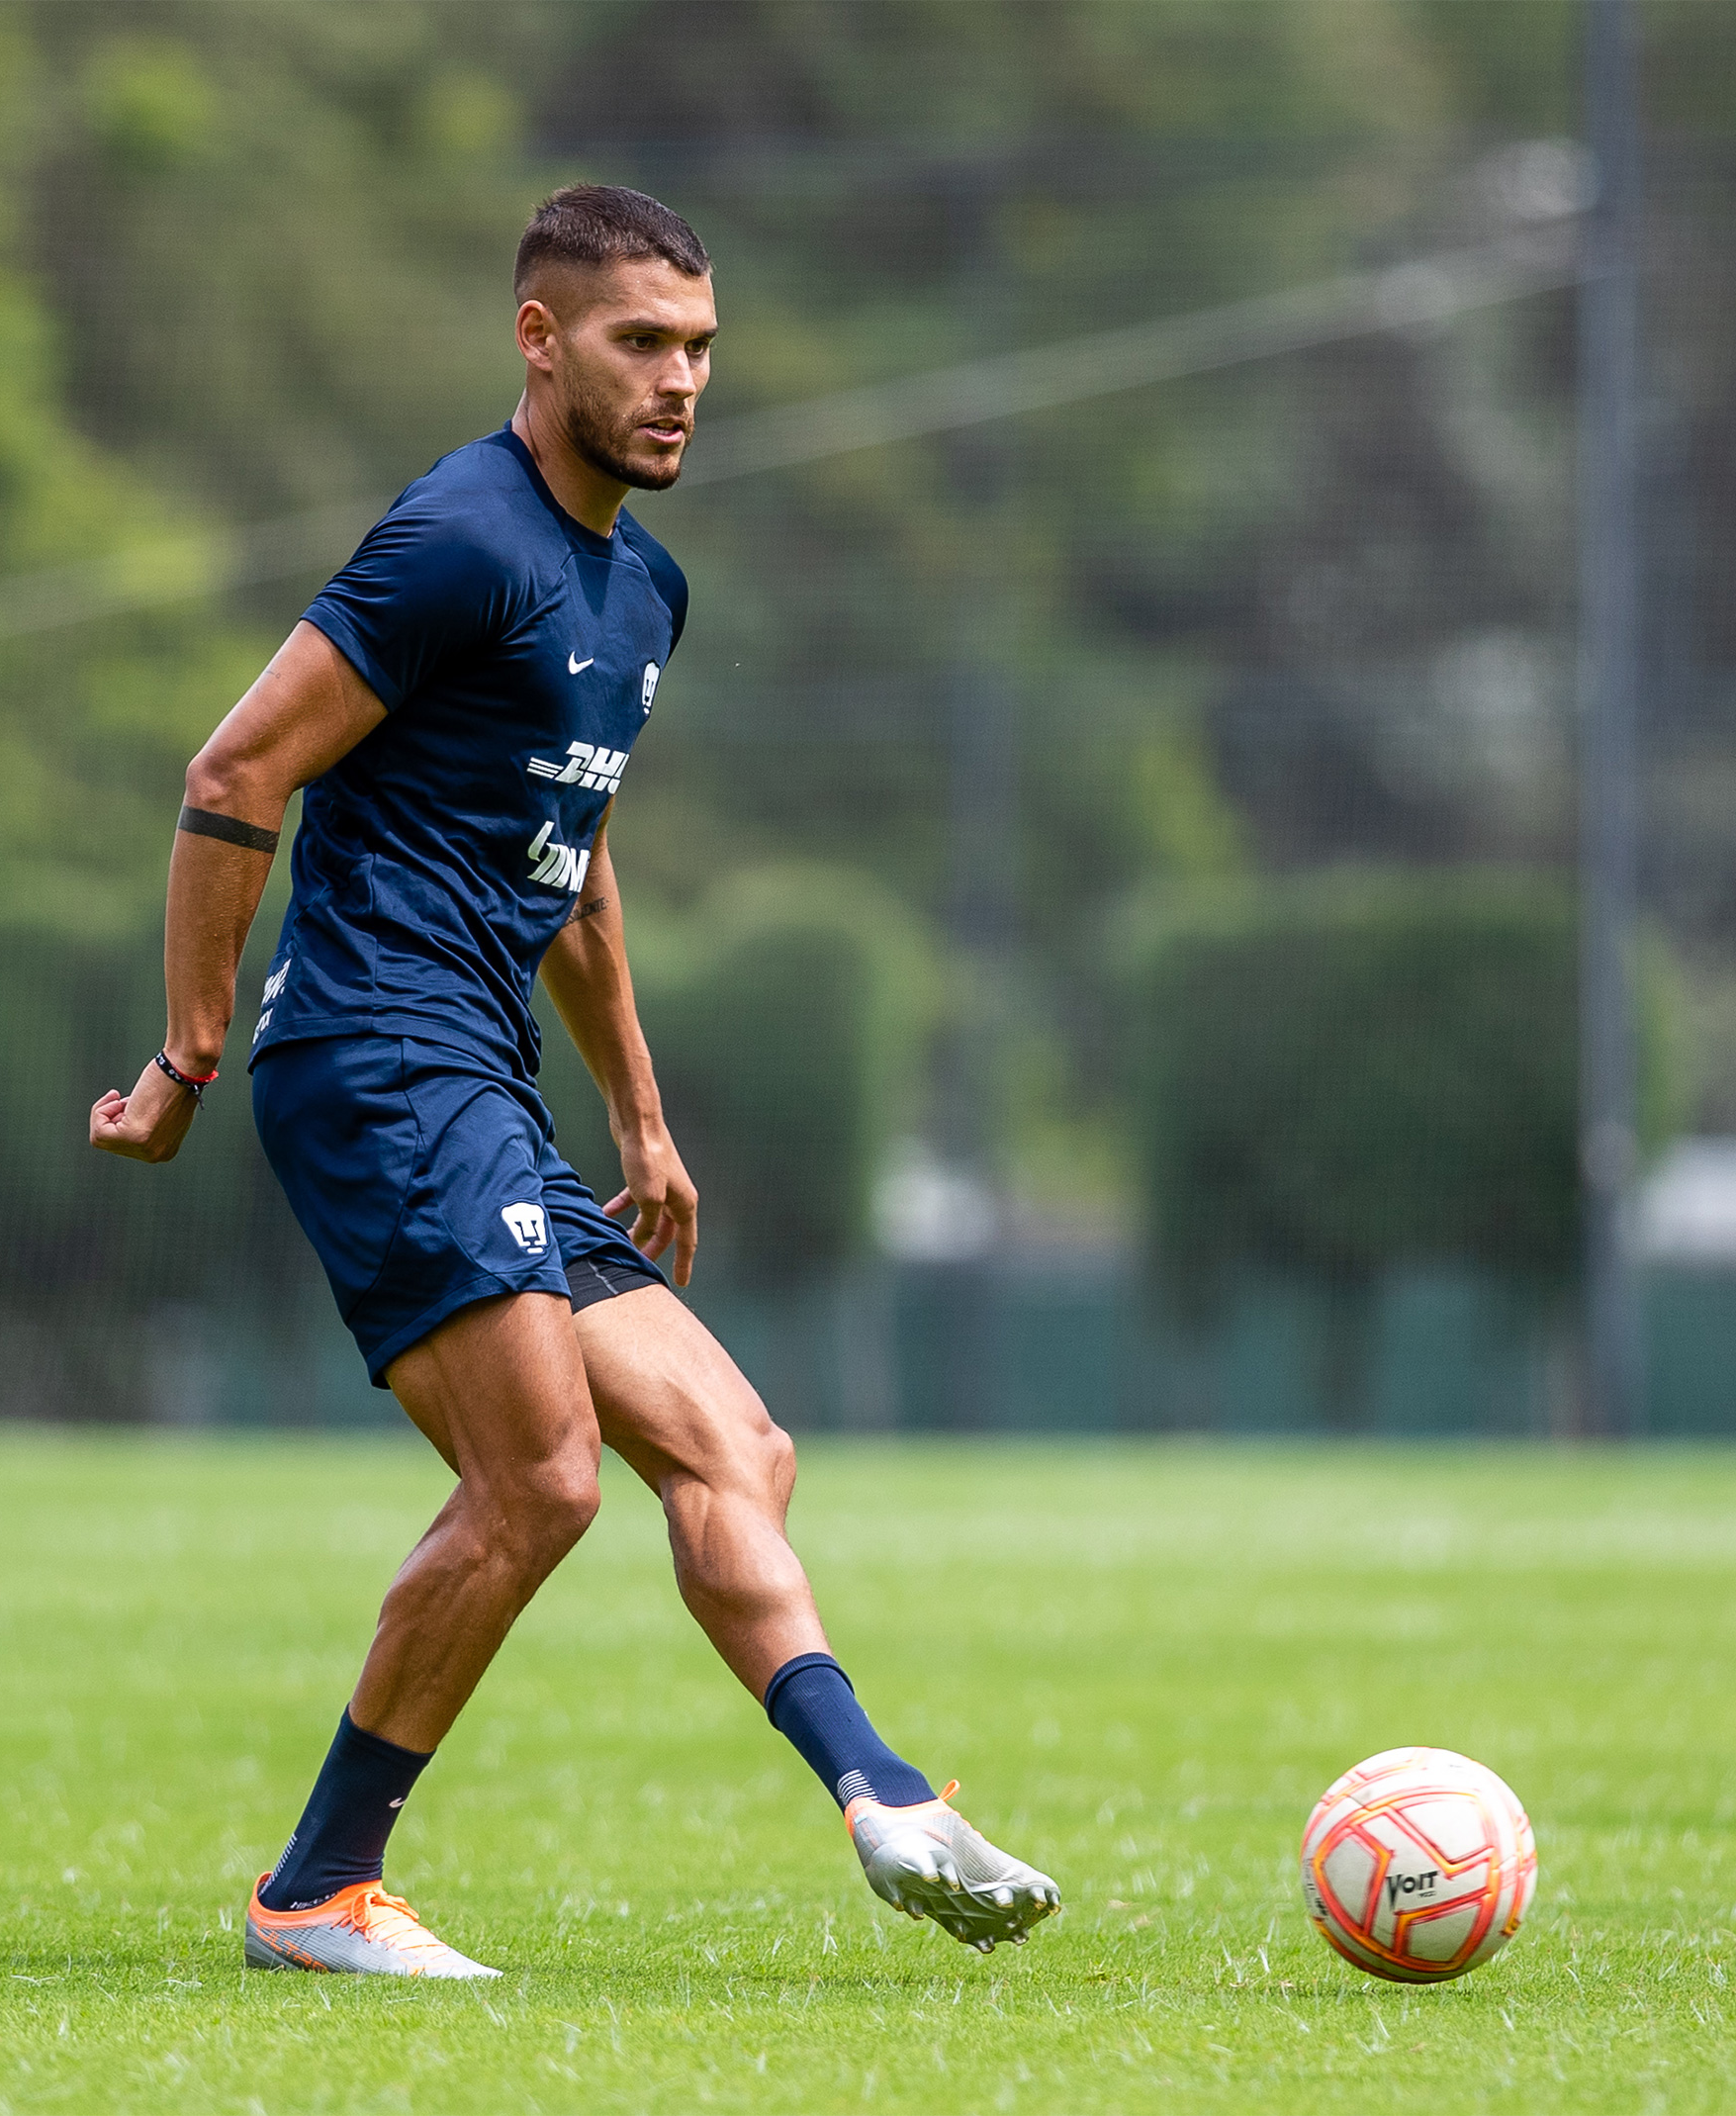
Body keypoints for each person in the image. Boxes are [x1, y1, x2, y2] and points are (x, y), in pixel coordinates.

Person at [89, 184, 1058, 1979]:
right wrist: (185, 1054)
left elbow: (574, 864)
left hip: (483, 1078)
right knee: (538, 1484)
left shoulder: (642, 585)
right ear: (540, 343)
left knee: (736, 1448)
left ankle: (883, 1797)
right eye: (640, 344)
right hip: (379, 1054)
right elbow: (234, 771)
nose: (680, 381)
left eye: (699, 348)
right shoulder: (459, 538)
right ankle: (315, 1895)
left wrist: (642, 1117)